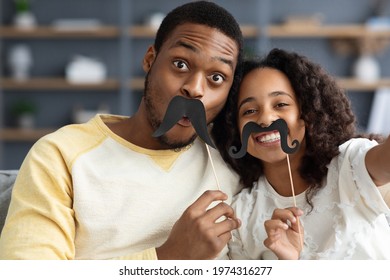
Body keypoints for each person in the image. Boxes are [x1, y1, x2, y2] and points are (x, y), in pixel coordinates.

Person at [0, 1, 244, 260]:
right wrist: (168, 257)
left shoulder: (236, 157)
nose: (195, 89)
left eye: (216, 77)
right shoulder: (60, 155)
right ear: (150, 60)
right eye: (181, 64)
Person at [212, 48, 390, 260]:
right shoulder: (241, 215)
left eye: (281, 104)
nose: (265, 119)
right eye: (249, 111)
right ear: (235, 129)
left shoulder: (348, 164)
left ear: (307, 113)